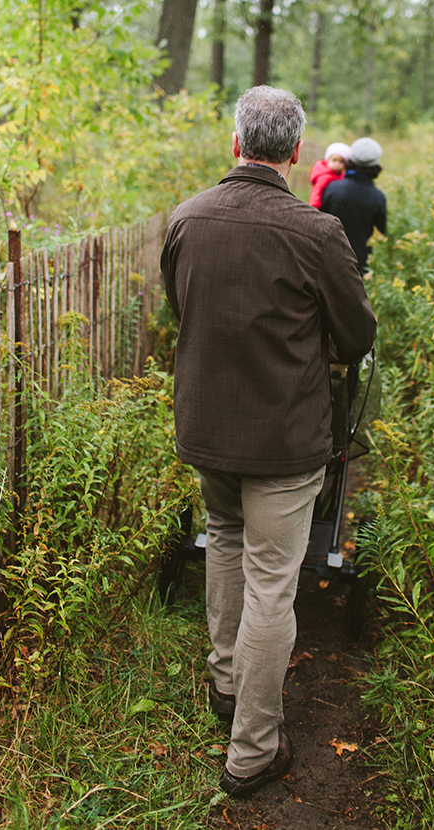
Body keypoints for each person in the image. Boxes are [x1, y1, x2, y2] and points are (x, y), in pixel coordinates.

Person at [160, 85, 377, 798]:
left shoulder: (187, 219)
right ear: (295, 152)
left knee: (223, 538)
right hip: (283, 439)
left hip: (208, 427)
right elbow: (356, 335)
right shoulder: (316, 236)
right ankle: (252, 747)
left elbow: (183, 310)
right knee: (272, 584)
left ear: (236, 144)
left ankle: (227, 684)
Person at [321, 137, 387, 274]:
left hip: (327, 259)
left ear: (349, 161)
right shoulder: (378, 197)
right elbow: (381, 235)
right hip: (360, 264)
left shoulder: (332, 188)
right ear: (375, 166)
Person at [307, 141, 351, 208]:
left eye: (341, 161)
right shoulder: (324, 176)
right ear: (328, 160)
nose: (337, 164)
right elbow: (316, 192)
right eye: (334, 160)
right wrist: (314, 207)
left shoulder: (343, 175)